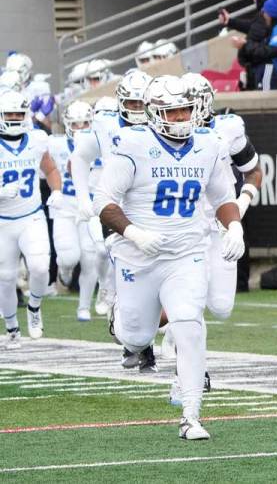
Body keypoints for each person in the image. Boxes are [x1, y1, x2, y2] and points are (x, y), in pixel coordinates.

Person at [94, 75, 244, 440]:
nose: (180, 118)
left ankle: (191, 415)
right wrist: (133, 232)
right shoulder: (133, 143)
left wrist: (234, 227)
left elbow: (222, 197)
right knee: (136, 334)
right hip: (138, 254)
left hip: (186, 252)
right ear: (153, 113)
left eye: (185, 110)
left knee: (189, 324)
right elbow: (104, 202)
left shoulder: (208, 144)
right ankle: (122, 324)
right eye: (172, 111)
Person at [68, 71, 151, 331]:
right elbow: (80, 157)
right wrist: (83, 198)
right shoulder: (106, 124)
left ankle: (166, 331)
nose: (138, 109)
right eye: (132, 103)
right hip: (116, 208)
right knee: (116, 261)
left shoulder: (165, 122)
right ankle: (116, 303)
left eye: (142, 103)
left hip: (154, 209)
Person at [184, 73, 263, 321]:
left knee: (221, 308)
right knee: (188, 295)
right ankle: (173, 330)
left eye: (192, 102)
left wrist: (240, 205)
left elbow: (253, 172)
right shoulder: (159, 134)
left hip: (219, 224)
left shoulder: (227, 129)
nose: (187, 109)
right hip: (183, 224)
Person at [0, 91, 63, 349]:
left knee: (39, 268)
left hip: (31, 216)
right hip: (3, 222)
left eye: (18, 113)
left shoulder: (37, 139)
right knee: (5, 277)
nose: (14, 118)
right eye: (9, 114)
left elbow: (50, 169)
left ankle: (34, 307)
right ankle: (12, 327)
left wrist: (57, 191)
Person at [48, 100, 104, 322]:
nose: (81, 129)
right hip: (65, 207)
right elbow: (46, 170)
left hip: (89, 207)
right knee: (69, 256)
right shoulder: (56, 145)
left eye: (85, 124)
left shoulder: (100, 144)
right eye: (76, 124)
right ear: (67, 124)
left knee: (91, 258)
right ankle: (65, 273)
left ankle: (84, 307)